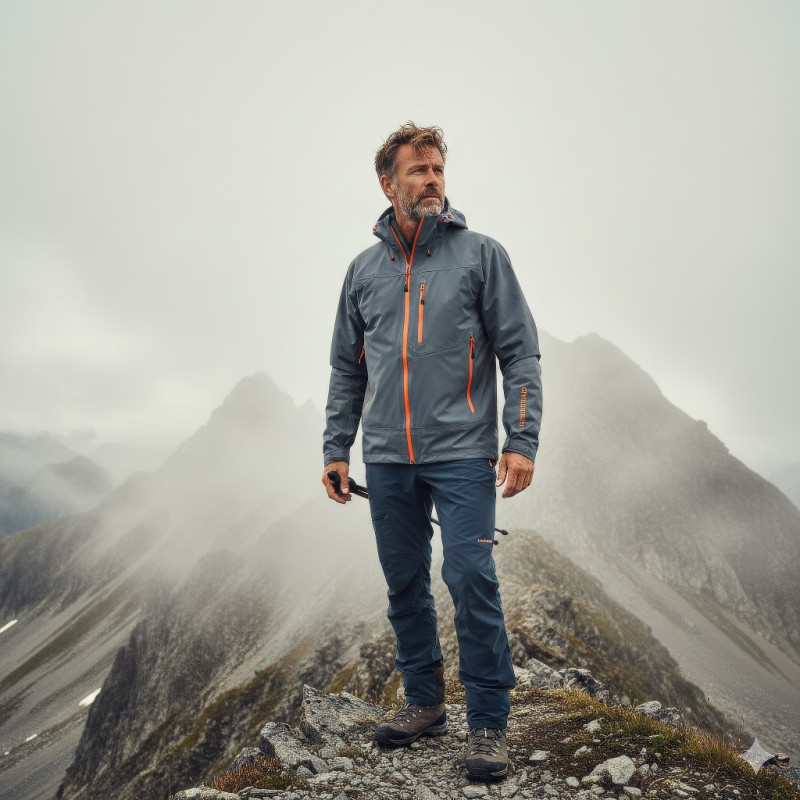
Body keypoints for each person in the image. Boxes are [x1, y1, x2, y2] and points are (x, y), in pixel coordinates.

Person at [322, 123, 542, 780]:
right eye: (417, 170)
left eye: (438, 169)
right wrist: (337, 448)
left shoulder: (481, 255)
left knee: (471, 578)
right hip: (388, 456)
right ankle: (424, 702)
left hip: (463, 452)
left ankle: (489, 723)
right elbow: (346, 369)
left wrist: (521, 440)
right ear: (387, 184)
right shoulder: (362, 272)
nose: (431, 180)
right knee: (404, 584)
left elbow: (520, 352)